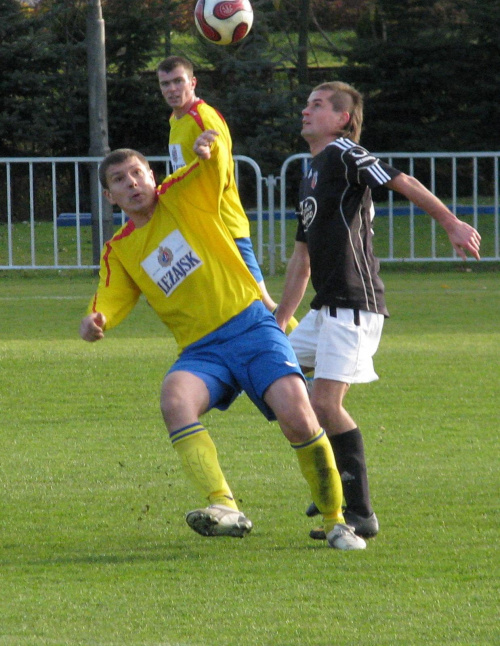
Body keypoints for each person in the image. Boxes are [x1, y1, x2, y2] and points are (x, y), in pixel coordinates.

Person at [79, 129, 367, 550]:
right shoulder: (119, 250)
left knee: (299, 417)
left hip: (251, 326)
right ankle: (225, 506)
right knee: (175, 399)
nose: (132, 183)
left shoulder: (182, 195)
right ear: (109, 197)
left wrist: (207, 151)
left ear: (152, 175)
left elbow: (211, 171)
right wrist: (96, 319)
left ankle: (336, 521)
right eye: (119, 180)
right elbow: (111, 298)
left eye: (137, 173)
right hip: (202, 351)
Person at [275, 81, 481, 541]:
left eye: (318, 105)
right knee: (278, 382)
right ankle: (333, 477)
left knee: (325, 403)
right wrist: (276, 324)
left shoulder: (346, 153)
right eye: (307, 104)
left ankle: (360, 511)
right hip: (324, 308)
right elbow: (301, 260)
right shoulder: (309, 172)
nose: (306, 111)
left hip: (354, 303)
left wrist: (451, 222)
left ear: (343, 118)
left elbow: (401, 180)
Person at [157, 55, 297, 334]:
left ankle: (309, 355)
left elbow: (219, 176)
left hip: (224, 226)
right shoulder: (176, 119)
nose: (172, 89)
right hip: (200, 228)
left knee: (261, 301)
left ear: (192, 82)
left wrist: (203, 159)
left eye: (178, 81)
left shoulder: (202, 117)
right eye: (165, 84)